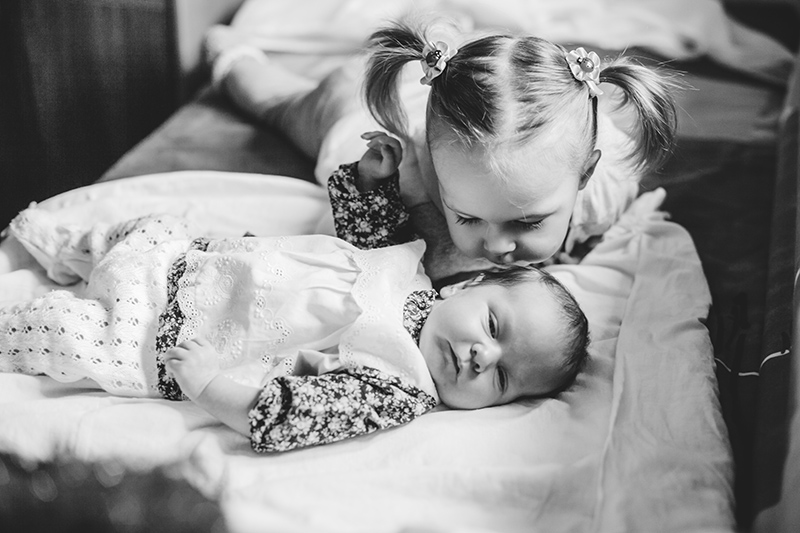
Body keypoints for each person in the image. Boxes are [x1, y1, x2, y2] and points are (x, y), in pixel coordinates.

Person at [0, 136, 590, 453]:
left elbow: (290, 416)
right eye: (494, 327)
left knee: (59, 334)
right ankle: (63, 246)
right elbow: (365, 227)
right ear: (471, 284)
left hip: (160, 340)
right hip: (187, 261)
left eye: (503, 378)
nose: (483, 356)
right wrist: (372, 178)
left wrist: (207, 385)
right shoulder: (407, 265)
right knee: (138, 231)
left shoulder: (397, 387)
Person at [209, 18, 681, 283]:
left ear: (585, 173)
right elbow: (347, 245)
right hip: (348, 111)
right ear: (432, 164)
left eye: (528, 222)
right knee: (275, 104)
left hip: (435, 107)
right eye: (467, 218)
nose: (497, 246)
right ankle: (231, 57)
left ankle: (453, 32)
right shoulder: (405, 181)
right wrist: (376, 186)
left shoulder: (606, 185)